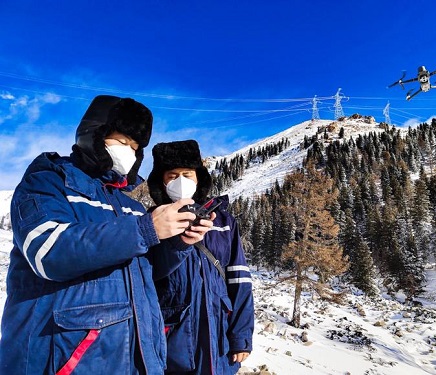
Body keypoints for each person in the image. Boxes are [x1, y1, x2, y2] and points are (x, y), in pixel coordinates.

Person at [0, 95, 213, 374]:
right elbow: (47, 251)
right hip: (65, 358)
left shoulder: (130, 205)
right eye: (122, 141)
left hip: (133, 360)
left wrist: (178, 242)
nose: (130, 152)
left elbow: (148, 270)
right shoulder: (49, 179)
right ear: (95, 132)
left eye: (136, 147)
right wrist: (145, 229)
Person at [147, 140, 254, 375]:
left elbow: (240, 280)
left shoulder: (224, 222)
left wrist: (241, 335)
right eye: (172, 175)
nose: (181, 181)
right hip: (171, 337)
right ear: (161, 181)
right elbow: (146, 274)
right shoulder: (151, 221)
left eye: (187, 174)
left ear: (199, 179)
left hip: (219, 337)